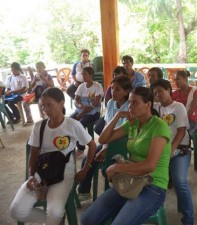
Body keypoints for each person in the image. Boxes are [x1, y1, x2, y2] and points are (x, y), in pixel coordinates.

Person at [81, 87, 171, 225]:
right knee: (88, 219)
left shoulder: (159, 126)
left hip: (153, 185)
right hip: (130, 181)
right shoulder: (132, 124)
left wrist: (117, 167)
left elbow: (149, 166)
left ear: (148, 105)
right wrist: (118, 116)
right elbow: (103, 139)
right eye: (129, 102)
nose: (130, 106)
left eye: (135, 103)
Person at [10, 87, 96, 225]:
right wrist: (32, 176)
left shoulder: (72, 125)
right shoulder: (39, 126)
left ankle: (55, 219)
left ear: (61, 103)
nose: (46, 109)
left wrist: (85, 169)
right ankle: (55, 221)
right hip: (42, 170)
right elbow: (33, 155)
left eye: (49, 104)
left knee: (54, 212)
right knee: (16, 210)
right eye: (43, 106)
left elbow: (91, 145)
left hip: (64, 173)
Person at [78, 75, 132, 201]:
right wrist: (105, 147)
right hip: (108, 142)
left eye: (117, 89)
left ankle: (118, 197)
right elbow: (107, 126)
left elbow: (126, 134)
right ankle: (84, 191)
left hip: (124, 145)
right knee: (88, 159)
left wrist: (107, 149)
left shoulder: (130, 106)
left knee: (106, 169)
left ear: (126, 91)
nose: (113, 92)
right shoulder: (111, 103)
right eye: (112, 88)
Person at [152, 79, 194, 225]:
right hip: (161, 152)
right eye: (155, 92)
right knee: (151, 180)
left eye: (161, 91)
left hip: (179, 150)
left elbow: (181, 132)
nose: (158, 94)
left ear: (169, 90)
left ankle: (189, 220)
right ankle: (154, 212)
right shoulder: (155, 108)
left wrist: (171, 150)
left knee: (180, 182)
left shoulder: (178, 107)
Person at [70, 67, 103, 157]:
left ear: (91, 75)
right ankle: (70, 145)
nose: (83, 76)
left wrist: (82, 113)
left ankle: (80, 148)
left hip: (93, 112)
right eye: (82, 74)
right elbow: (76, 100)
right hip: (81, 109)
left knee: (81, 123)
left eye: (85, 74)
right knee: (69, 121)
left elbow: (95, 104)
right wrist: (80, 106)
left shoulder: (97, 86)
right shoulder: (81, 86)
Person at [172, 70, 197, 135]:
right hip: (176, 120)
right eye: (175, 80)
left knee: (180, 134)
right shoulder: (174, 93)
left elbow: (191, 110)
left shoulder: (195, 91)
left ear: (185, 79)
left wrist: (180, 121)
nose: (176, 82)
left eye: (178, 79)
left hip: (190, 121)